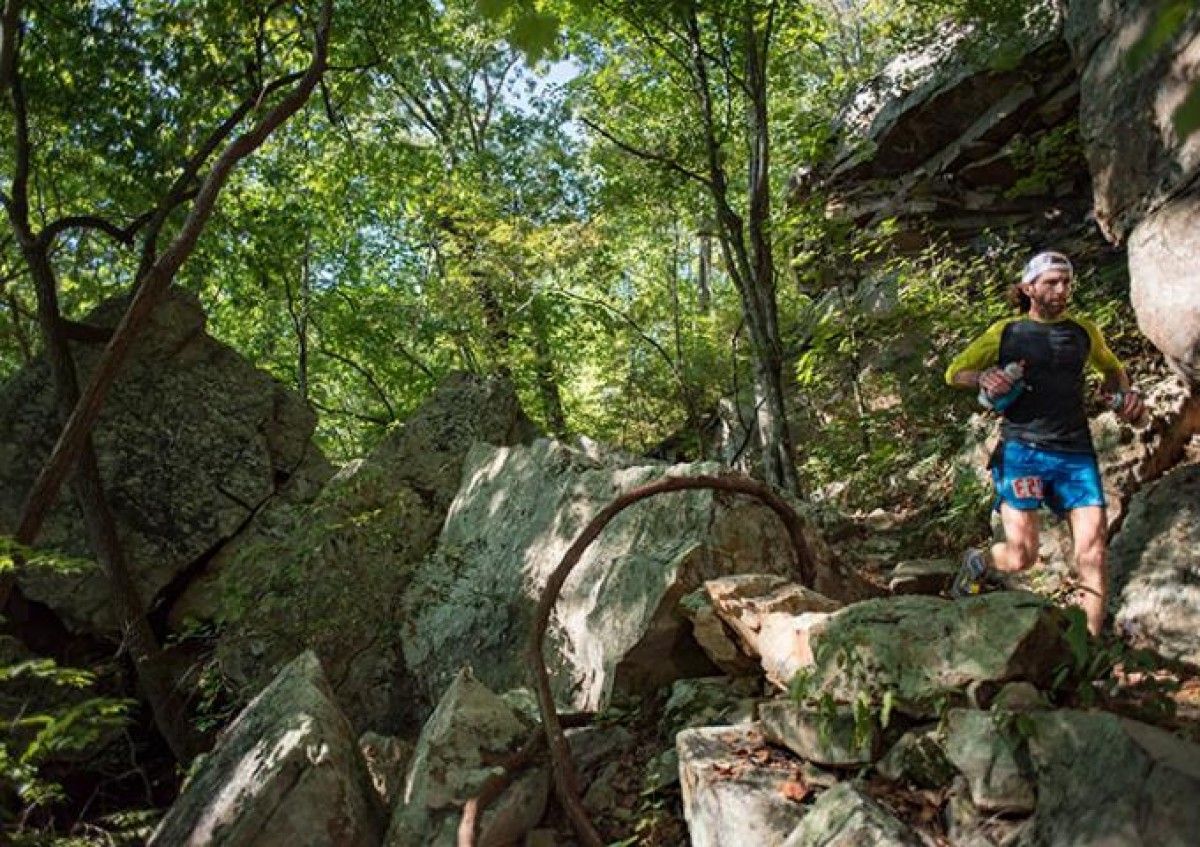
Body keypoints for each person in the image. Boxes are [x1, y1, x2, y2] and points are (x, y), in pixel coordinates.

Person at [943, 250, 1145, 636]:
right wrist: (984, 377)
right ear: (1028, 288)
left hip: (1076, 454)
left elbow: (1113, 369)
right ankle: (980, 561)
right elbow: (954, 372)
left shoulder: (1084, 331)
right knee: (1021, 556)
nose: (1061, 289)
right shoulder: (1006, 332)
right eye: (1051, 282)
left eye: (1066, 281)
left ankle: (1090, 647)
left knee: (1093, 552)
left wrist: (1124, 395)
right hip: (1023, 452)